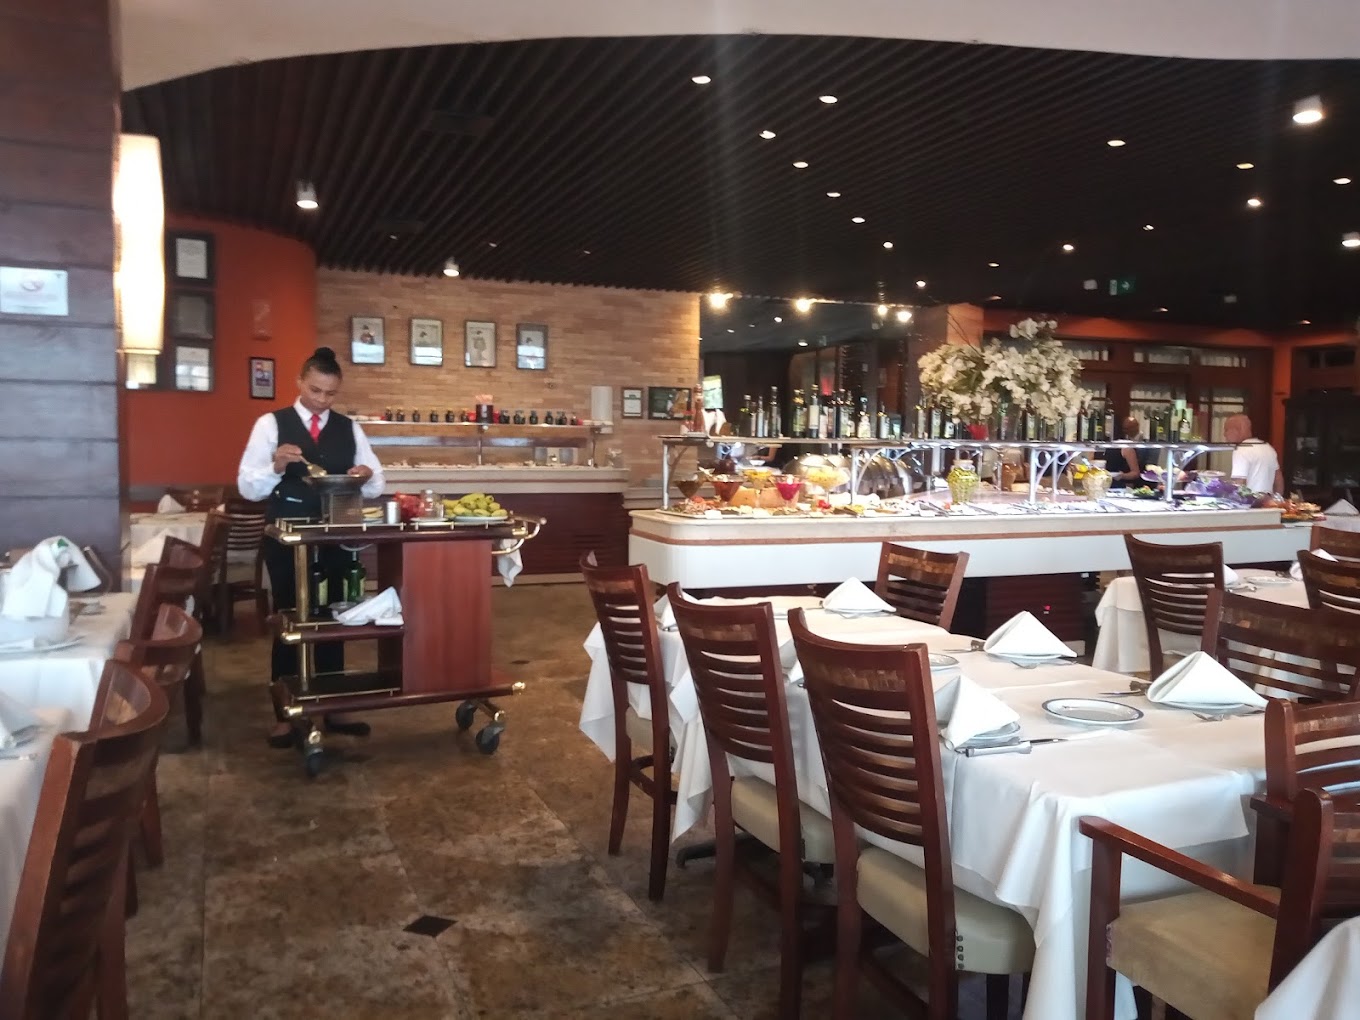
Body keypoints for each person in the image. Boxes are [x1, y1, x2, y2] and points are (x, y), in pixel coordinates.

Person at [237, 346, 386, 748]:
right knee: (291, 617)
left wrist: (365, 473)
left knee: (335, 614)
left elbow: (377, 482)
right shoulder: (271, 424)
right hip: (287, 535)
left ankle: (334, 705)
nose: (322, 400)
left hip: (336, 533)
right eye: (315, 390)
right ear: (300, 382)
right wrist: (276, 466)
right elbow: (247, 487)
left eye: (330, 393)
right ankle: (286, 712)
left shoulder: (349, 428)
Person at [1224, 413, 1282, 494]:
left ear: (1237, 429)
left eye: (1226, 430)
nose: (1224, 434)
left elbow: (1239, 484)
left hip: (1250, 501)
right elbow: (1279, 481)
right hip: (1268, 500)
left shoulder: (1241, 449)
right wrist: (1277, 499)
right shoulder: (1267, 447)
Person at [1105, 416, 1154, 489]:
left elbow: (1147, 464)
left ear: (1137, 427)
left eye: (1129, 428)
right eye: (1124, 428)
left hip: (1143, 480)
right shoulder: (1124, 441)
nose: (1126, 430)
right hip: (1125, 482)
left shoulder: (1145, 440)